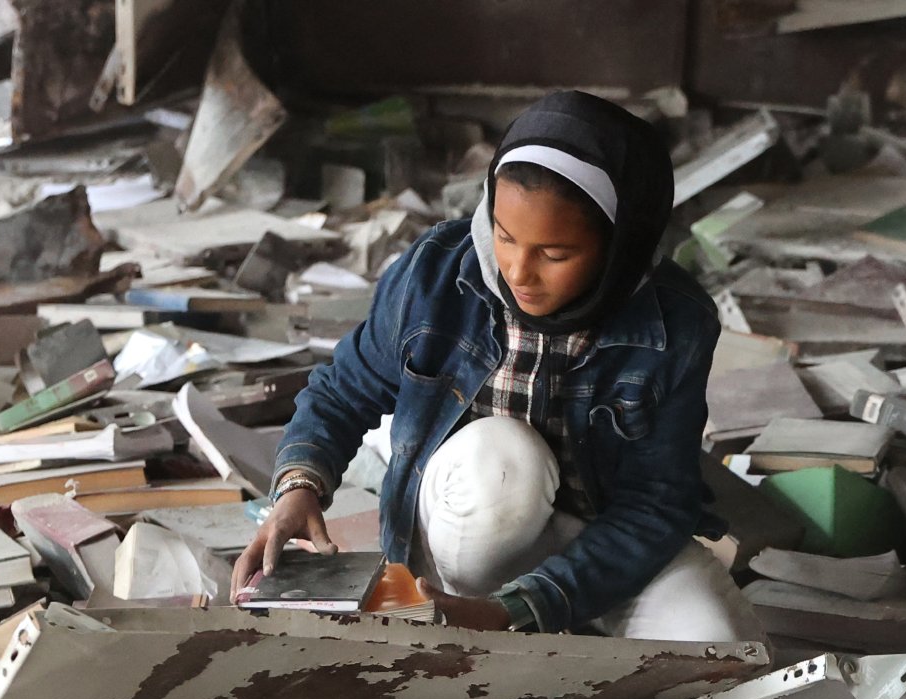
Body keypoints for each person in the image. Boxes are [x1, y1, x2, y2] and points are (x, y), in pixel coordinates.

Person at [230, 91, 765, 640]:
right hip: (470, 523)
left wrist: (521, 606)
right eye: (504, 236)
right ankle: (458, 616)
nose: (518, 270)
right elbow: (343, 391)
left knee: (717, 652)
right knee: (506, 462)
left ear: (620, 244)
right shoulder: (436, 272)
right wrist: (298, 487)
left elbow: (655, 505)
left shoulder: (674, 324)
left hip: (596, 546)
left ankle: (520, 623)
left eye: (555, 254)